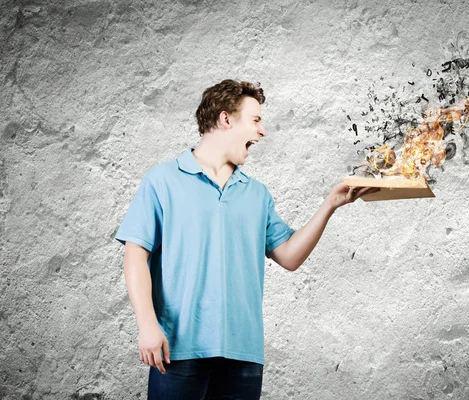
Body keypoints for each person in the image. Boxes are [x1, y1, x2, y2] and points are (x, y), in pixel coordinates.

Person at [115, 79, 376, 399]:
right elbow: (135, 255)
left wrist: (330, 205)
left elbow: (290, 256)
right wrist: (147, 326)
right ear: (226, 119)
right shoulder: (162, 180)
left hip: (243, 356)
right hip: (178, 350)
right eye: (255, 120)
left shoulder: (257, 195)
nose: (262, 131)